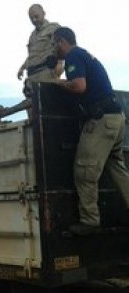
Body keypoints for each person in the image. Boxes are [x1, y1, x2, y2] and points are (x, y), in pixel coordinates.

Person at [53, 26, 129, 234]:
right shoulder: (86, 54)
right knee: (118, 170)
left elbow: (79, 86)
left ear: (61, 41)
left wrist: (59, 84)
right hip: (117, 119)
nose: (55, 50)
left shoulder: (74, 56)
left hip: (101, 121)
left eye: (54, 45)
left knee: (84, 172)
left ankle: (90, 221)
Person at [17, 4, 63, 99]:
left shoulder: (53, 27)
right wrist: (22, 68)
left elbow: (62, 45)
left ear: (43, 13)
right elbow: (32, 55)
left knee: (47, 106)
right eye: (31, 18)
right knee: (32, 108)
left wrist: (60, 62)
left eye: (36, 16)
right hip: (32, 76)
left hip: (46, 73)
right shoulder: (32, 35)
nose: (34, 20)